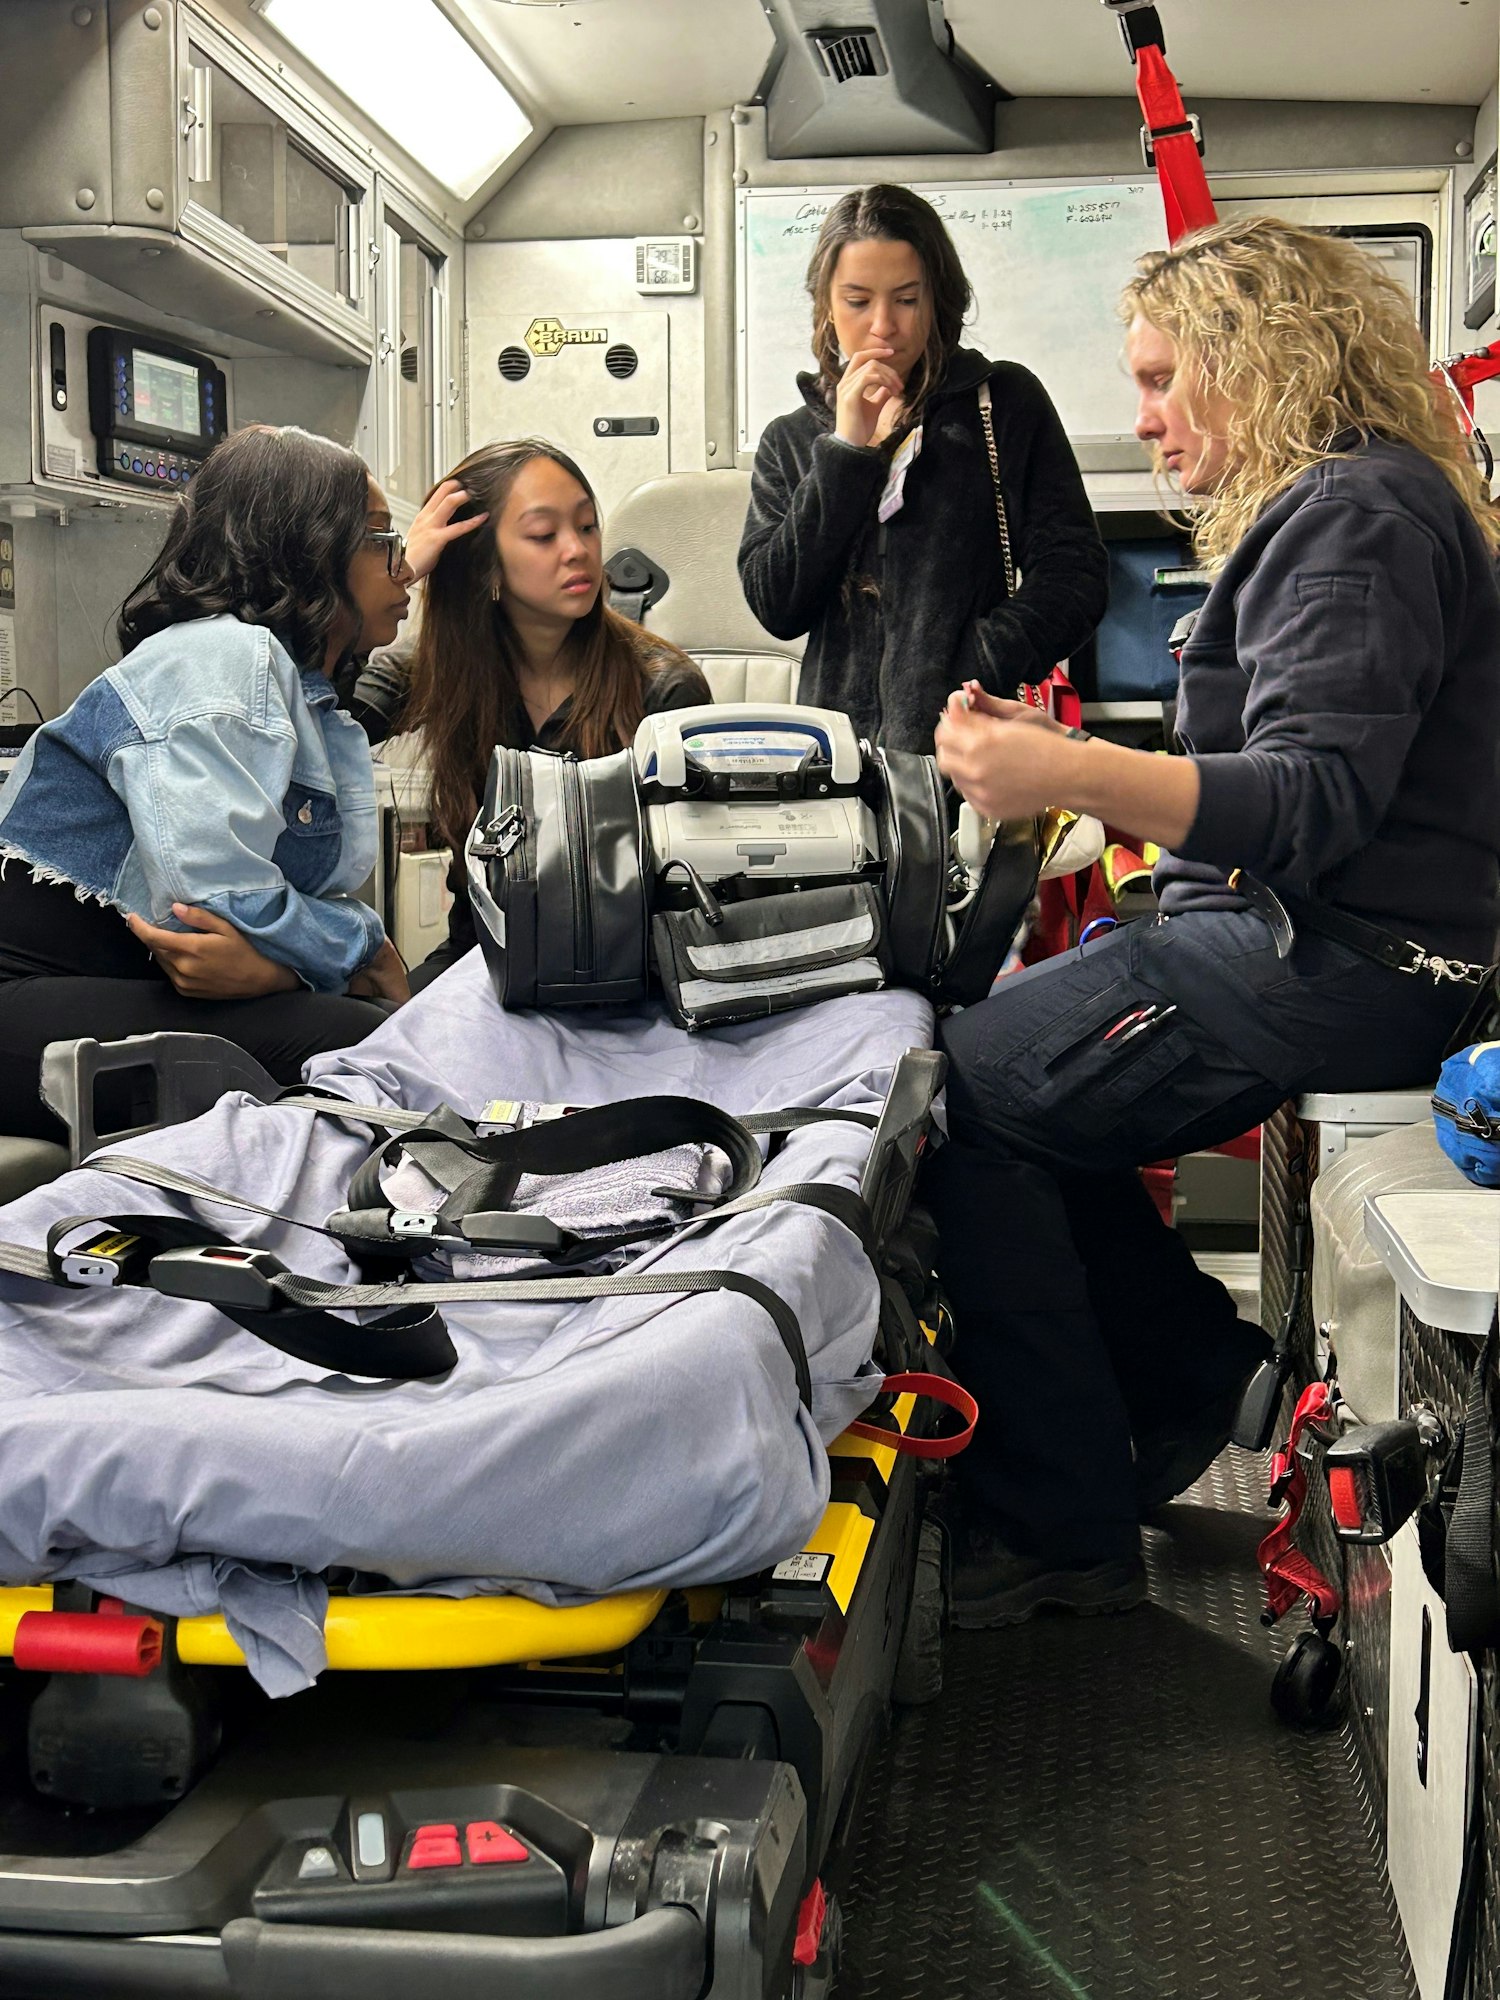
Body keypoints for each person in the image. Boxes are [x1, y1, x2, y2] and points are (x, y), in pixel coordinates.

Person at [922, 215, 1500, 1629]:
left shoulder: (1356, 517)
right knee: (1021, 1070)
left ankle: (1061, 1520)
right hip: (1337, 946)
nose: (1147, 419)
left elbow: (1309, 801)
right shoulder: (1356, 505)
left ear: (1263, 362)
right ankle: (1184, 1392)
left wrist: (1064, 772)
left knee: (949, 1099)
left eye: (1168, 378)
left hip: (1349, 966)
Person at [0, 424, 412, 1142]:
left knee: (365, 1037)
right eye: (384, 541)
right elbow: (217, 904)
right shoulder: (223, 658)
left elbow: (293, 900)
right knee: (351, 1044)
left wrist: (302, 968)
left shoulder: (299, 690)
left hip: (106, 980)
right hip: (19, 995)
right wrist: (361, 949)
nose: (404, 570)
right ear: (313, 549)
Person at [738, 183, 1109, 749]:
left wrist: (977, 660)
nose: (884, 325)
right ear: (826, 306)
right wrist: (847, 452)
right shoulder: (790, 440)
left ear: (938, 299)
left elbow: (1076, 572)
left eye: (907, 299)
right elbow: (778, 605)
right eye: (858, 301)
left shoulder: (1002, 403)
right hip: (837, 761)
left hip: (973, 749)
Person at [350, 439, 710, 988]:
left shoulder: (662, 689)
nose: (577, 550)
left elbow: (687, 901)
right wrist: (399, 576)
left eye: (587, 527)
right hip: (481, 961)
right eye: (544, 535)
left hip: (624, 976)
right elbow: (315, 729)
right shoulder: (440, 666)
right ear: (485, 567)